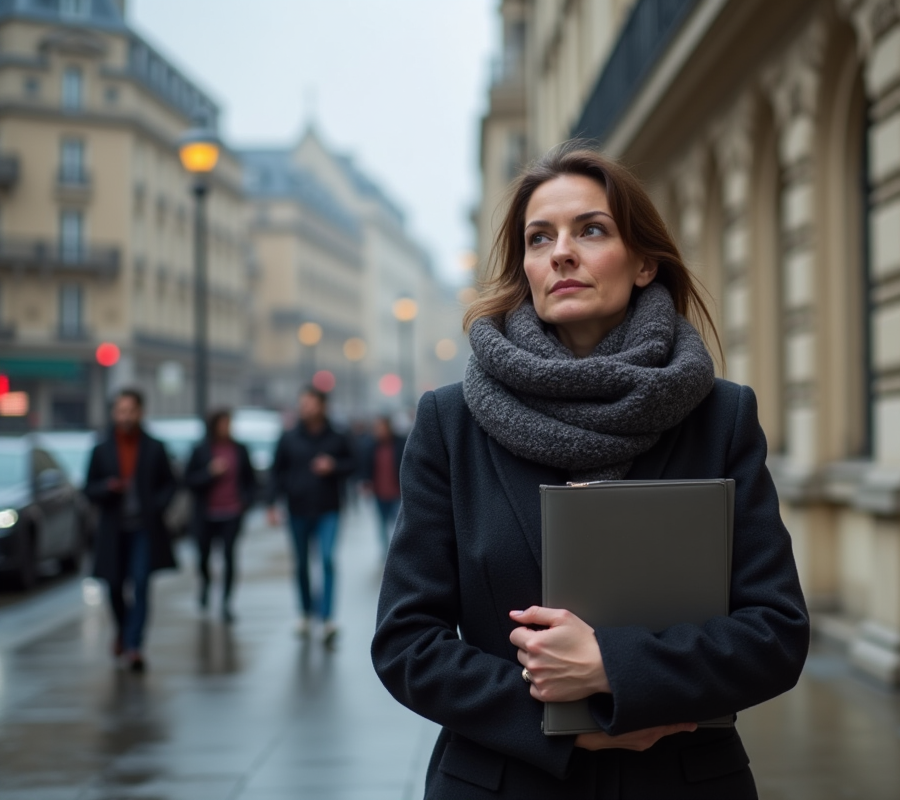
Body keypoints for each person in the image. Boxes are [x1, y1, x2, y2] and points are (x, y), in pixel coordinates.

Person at [371, 145, 809, 799]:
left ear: (643, 262)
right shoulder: (450, 423)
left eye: (591, 230)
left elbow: (775, 633)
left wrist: (614, 669)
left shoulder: (720, 416)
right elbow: (407, 643)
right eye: (539, 237)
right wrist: (558, 723)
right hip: (505, 783)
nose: (561, 253)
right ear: (524, 267)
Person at [84, 388, 177, 672]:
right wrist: (106, 488)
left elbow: (170, 483)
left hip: (144, 528)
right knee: (114, 585)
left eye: (130, 410)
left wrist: (158, 505)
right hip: (113, 528)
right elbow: (89, 488)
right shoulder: (102, 448)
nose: (125, 416)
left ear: (140, 412)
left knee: (141, 583)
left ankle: (135, 645)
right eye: (120, 411)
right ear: (114, 413)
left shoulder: (154, 447)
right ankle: (123, 631)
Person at [266, 386, 355, 644]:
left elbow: (354, 464)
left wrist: (334, 466)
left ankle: (327, 618)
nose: (304, 407)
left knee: (327, 559)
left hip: (329, 509)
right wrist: (271, 504)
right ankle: (305, 613)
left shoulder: (337, 436)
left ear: (322, 406)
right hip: (297, 509)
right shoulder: (289, 437)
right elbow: (276, 472)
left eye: (310, 403)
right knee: (302, 563)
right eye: (302, 403)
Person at [184, 408, 257, 622]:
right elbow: (188, 480)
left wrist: (246, 501)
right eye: (222, 424)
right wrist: (209, 473)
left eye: (229, 424)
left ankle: (226, 602)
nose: (226, 428)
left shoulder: (239, 449)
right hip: (206, 514)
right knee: (203, 556)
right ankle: (205, 584)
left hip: (232, 512)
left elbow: (250, 480)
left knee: (229, 556)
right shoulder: (201, 450)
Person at [357, 415, 406, 553]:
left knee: (398, 525)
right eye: (376, 428)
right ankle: (386, 552)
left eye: (381, 427)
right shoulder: (370, 446)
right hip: (379, 493)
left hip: (398, 493)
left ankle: (399, 551)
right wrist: (365, 484)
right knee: (382, 524)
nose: (379, 431)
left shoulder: (401, 444)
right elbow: (365, 467)